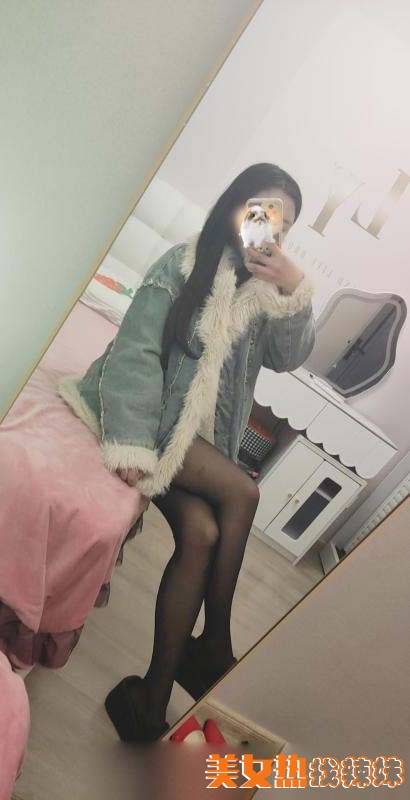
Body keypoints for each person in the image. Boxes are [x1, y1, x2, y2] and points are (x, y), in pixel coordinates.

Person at [59, 163, 316, 742]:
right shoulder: (182, 263)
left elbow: (289, 357)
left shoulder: (264, 292)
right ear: (235, 205)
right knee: (245, 492)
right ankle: (214, 645)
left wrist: (294, 288)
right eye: (262, 210)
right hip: (152, 425)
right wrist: (131, 441)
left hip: (199, 447)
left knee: (201, 534)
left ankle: (151, 698)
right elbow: (135, 352)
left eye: (283, 224)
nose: (270, 228)